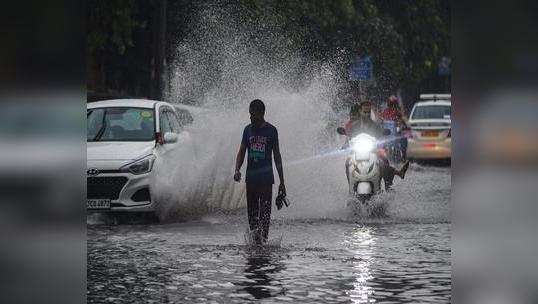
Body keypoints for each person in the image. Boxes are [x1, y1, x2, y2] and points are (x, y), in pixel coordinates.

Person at [234, 99, 286, 245]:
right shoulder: (247, 130)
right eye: (250, 114)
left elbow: (277, 156)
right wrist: (237, 169)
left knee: (264, 216)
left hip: (266, 181)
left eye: (253, 114)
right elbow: (241, 152)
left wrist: (282, 182)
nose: (251, 117)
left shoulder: (271, 131)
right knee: (252, 216)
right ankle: (255, 246)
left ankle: (263, 245)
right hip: (250, 180)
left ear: (262, 113)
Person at [344, 100, 410, 190]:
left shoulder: (375, 125)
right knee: (347, 162)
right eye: (364, 112)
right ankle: (350, 187)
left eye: (368, 112)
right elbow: (349, 136)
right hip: (357, 151)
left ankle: (390, 183)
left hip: (372, 150)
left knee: (384, 160)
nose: (366, 114)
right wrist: (346, 140)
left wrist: (384, 132)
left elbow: (381, 134)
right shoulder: (355, 125)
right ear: (360, 111)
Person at [380, 95, 409, 160]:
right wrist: (380, 124)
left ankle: (403, 155)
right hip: (387, 131)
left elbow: (402, 120)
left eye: (393, 103)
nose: (392, 105)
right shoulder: (385, 111)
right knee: (380, 142)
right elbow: (381, 119)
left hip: (396, 131)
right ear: (388, 103)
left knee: (403, 138)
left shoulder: (398, 111)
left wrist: (402, 125)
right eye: (391, 103)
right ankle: (381, 155)